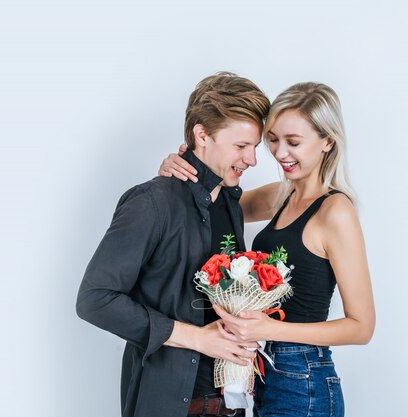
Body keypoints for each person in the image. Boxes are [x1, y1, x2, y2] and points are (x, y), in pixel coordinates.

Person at [158, 82, 375, 417]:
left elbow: (362, 327)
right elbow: (209, 209)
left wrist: (270, 329)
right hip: (257, 372)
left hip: (303, 380)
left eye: (294, 142)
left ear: (327, 141)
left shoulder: (336, 212)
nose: (280, 152)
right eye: (273, 139)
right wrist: (181, 168)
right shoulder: (280, 195)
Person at [76, 72, 270, 417]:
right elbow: (94, 300)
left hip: (233, 403)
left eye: (255, 147)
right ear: (202, 134)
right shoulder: (151, 202)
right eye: (241, 146)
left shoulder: (230, 205)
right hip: (173, 405)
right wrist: (197, 338)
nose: (252, 159)